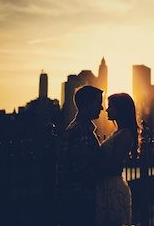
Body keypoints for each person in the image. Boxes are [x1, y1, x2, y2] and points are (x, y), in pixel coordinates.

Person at [57, 85, 103, 226]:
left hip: (77, 199)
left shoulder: (80, 129)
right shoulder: (80, 131)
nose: (101, 107)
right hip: (80, 201)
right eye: (98, 102)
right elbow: (83, 169)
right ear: (88, 104)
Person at [95, 93, 139, 226]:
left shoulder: (125, 134)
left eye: (110, 106)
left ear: (121, 109)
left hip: (112, 189)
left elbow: (114, 165)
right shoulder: (118, 132)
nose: (107, 110)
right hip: (106, 186)